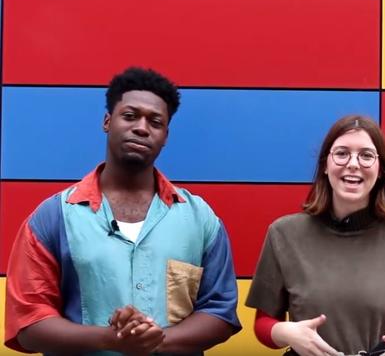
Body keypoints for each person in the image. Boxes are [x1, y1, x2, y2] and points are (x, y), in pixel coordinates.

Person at [4, 67, 241, 355]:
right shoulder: (53, 217)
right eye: (130, 116)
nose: (142, 127)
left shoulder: (200, 219)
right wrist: (110, 339)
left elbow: (220, 311)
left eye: (155, 122)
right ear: (107, 121)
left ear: (165, 135)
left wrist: (153, 339)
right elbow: (29, 324)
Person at [245, 115, 385, 356]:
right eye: (342, 153)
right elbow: (263, 324)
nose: (353, 164)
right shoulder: (283, 234)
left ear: (380, 170)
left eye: (366, 155)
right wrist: (286, 333)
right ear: (325, 165)